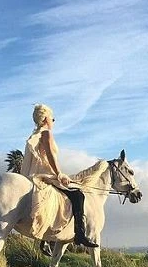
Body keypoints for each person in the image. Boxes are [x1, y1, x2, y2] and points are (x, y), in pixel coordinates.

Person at [20, 103, 99, 250]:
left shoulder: (33, 136)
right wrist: (59, 174)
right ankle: (80, 234)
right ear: (45, 119)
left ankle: (47, 239)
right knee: (78, 195)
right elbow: (50, 155)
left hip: (33, 173)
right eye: (52, 118)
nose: (53, 121)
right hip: (44, 174)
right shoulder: (45, 134)